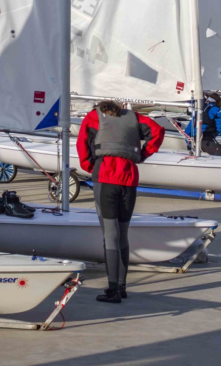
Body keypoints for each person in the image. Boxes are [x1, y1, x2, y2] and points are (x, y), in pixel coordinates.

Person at [77, 100, 164, 303]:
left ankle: (113, 289)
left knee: (110, 235)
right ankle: (122, 287)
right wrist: (143, 154)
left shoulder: (93, 117)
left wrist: (91, 166)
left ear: (100, 108)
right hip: (129, 177)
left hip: (106, 175)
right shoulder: (134, 118)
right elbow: (157, 131)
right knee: (122, 233)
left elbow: (82, 145)